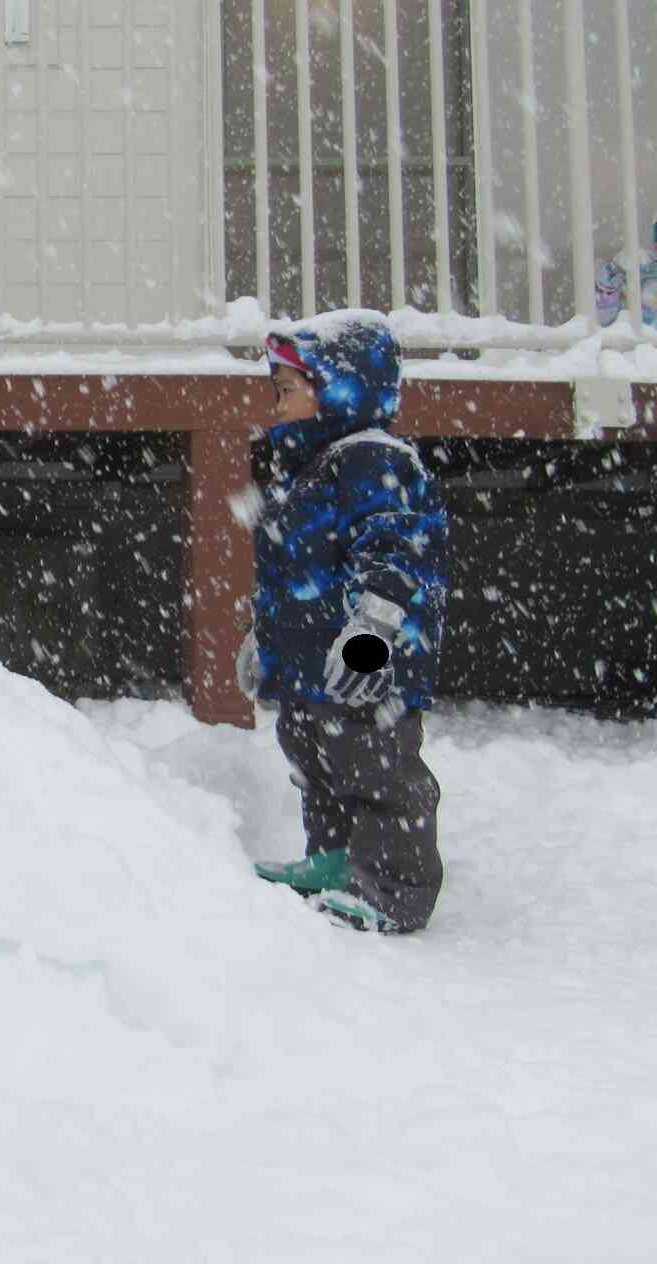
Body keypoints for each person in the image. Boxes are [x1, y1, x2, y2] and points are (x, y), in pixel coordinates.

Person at [237, 310, 449, 934]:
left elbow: (393, 550)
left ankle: (395, 888)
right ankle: (334, 860)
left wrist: (373, 630)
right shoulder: (306, 469)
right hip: (310, 666)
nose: (277, 405)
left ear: (343, 388)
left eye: (289, 390)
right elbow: (289, 573)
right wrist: (264, 638)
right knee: (315, 758)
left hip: (364, 663)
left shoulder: (372, 462)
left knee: (375, 767)